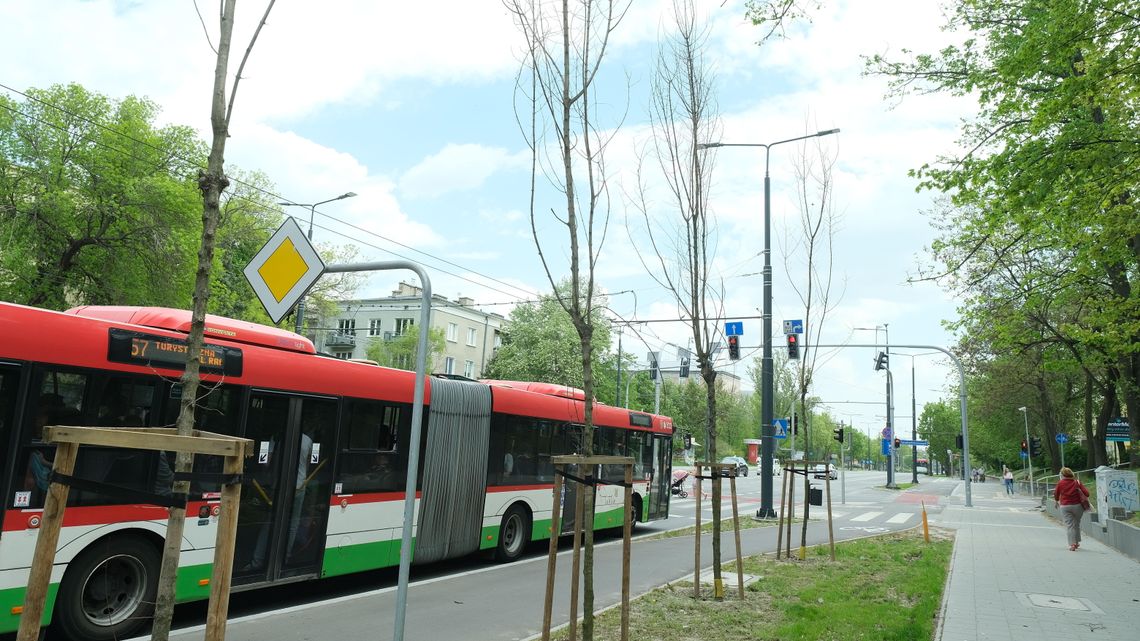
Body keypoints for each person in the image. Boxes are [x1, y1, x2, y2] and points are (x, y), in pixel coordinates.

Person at [1054, 467, 1090, 551]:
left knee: (1070, 525)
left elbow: (1056, 494)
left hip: (1065, 506)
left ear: (1062, 475)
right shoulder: (1077, 482)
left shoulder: (1060, 483)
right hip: (1078, 506)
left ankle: (1072, 544)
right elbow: (1087, 494)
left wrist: (1056, 500)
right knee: (1076, 524)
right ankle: (1077, 542)